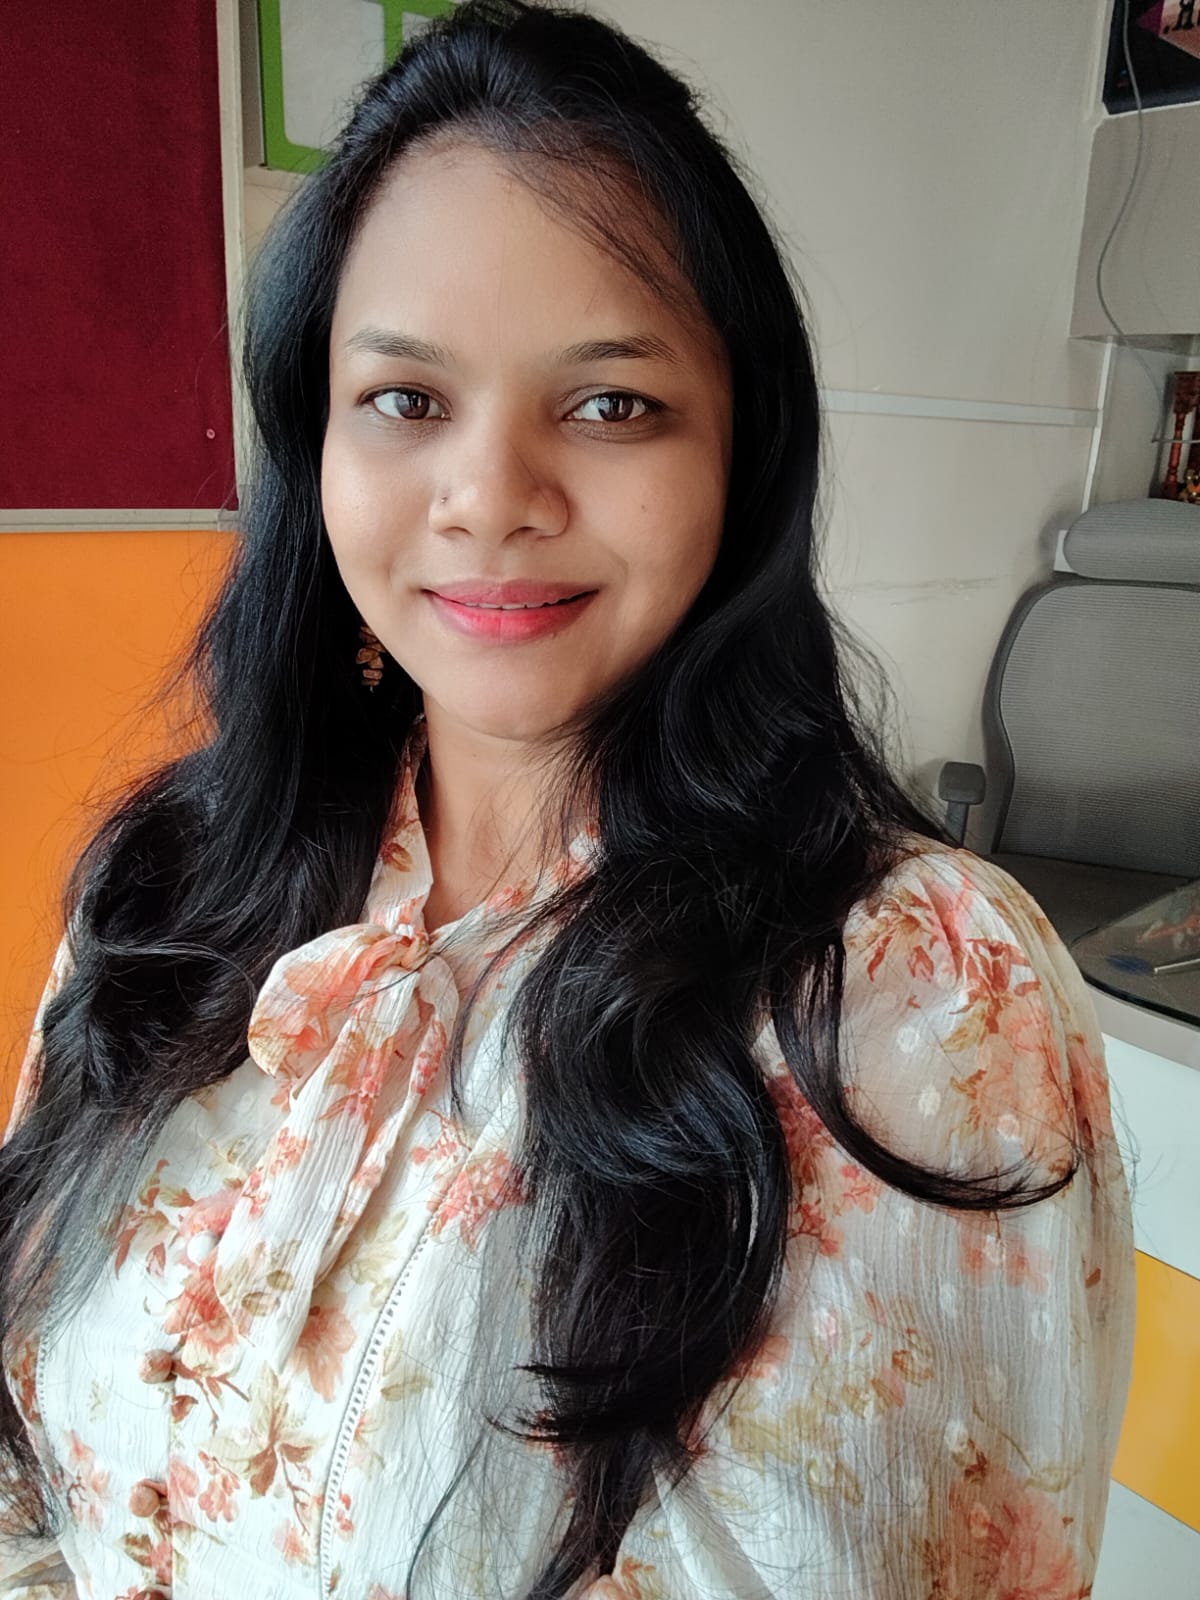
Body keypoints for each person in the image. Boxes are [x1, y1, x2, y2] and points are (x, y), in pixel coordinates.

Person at [0, 3, 1135, 1596]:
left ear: (742, 450)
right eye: (407, 399)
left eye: (610, 405)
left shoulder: (913, 991)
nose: (491, 499)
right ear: (315, 439)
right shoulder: (171, 883)